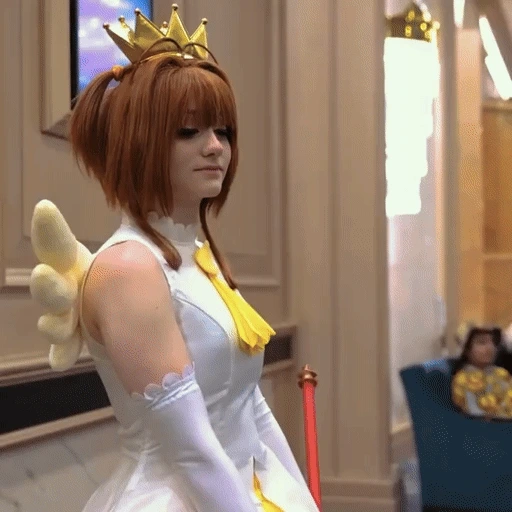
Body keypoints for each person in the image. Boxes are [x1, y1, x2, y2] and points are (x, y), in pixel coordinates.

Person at [29, 5, 320, 512]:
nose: (216, 147)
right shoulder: (127, 268)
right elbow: (191, 454)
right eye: (189, 131)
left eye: (223, 131)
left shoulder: (199, 255)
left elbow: (250, 407)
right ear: (140, 143)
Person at [451, 326, 512, 419]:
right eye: (482, 342)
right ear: (467, 350)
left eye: (493, 342)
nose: (490, 347)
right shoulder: (463, 379)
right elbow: (476, 413)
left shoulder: (502, 373)